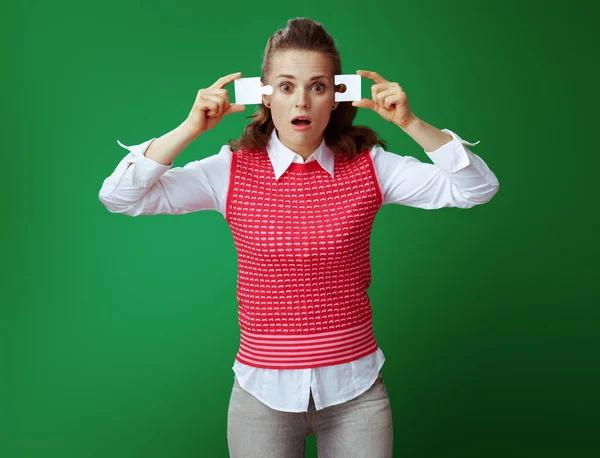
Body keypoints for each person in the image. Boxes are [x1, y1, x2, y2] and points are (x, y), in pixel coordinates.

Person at [98, 17, 499, 458]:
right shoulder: (229, 170)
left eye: (318, 86)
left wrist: (410, 122)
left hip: (356, 393)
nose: (301, 101)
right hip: (261, 396)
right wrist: (190, 129)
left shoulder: (372, 168)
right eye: (286, 86)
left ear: (337, 97)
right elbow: (120, 197)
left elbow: (477, 189)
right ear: (264, 95)